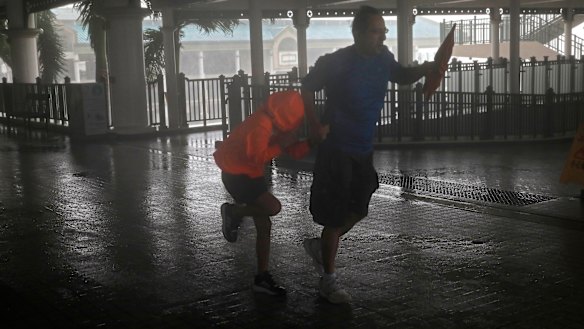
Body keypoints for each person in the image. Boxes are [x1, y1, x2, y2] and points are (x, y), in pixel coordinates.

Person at [300, 5, 438, 304]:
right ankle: (328, 280)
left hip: (363, 148)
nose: (382, 36)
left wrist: (426, 69)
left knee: (360, 208)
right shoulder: (337, 62)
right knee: (335, 217)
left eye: (383, 31)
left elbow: (401, 75)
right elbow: (307, 87)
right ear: (359, 33)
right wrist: (314, 125)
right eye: (377, 31)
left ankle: (320, 245)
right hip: (336, 148)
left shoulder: (384, 58)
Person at [213, 90, 313, 296]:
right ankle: (233, 213)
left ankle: (262, 276)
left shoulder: (268, 119)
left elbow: (291, 151)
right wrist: (281, 145)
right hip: (238, 175)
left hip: (248, 174)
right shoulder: (260, 125)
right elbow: (257, 157)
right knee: (272, 207)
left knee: (264, 224)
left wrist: (308, 142)